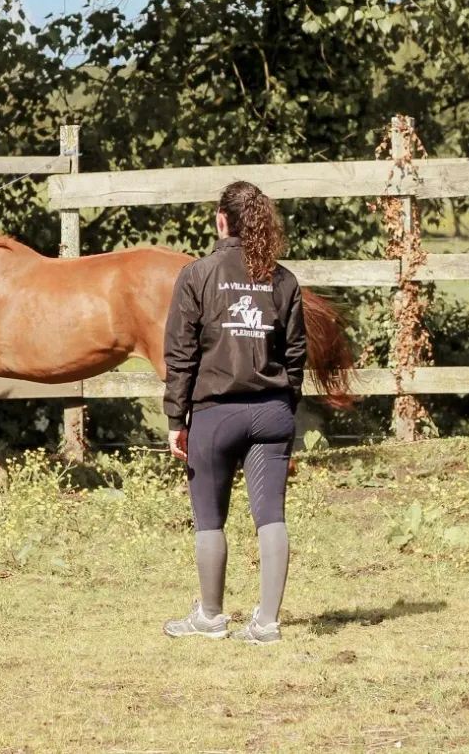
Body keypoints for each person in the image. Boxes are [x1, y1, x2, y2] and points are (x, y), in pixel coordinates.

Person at [161, 180, 306, 645]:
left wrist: (174, 419)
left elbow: (180, 355)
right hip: (272, 413)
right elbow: (296, 354)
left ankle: (210, 616)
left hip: (214, 417)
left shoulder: (197, 274)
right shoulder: (283, 280)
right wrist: (286, 405)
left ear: (222, 221)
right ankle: (266, 623)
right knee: (271, 516)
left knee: (209, 518)